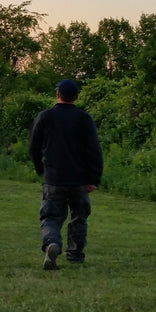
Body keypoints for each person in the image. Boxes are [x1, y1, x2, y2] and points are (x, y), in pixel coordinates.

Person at [28, 79, 103, 271]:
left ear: (57, 95)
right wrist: (94, 179)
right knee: (79, 217)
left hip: (53, 177)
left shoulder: (45, 117)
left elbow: (33, 148)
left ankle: (52, 243)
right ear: (76, 97)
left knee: (50, 216)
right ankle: (75, 255)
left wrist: (40, 169)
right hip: (79, 179)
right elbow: (94, 150)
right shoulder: (84, 118)